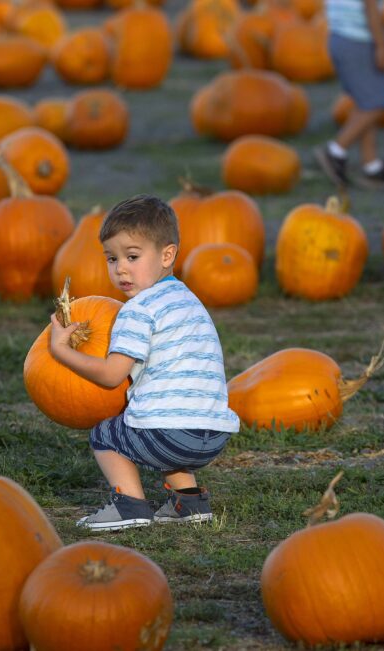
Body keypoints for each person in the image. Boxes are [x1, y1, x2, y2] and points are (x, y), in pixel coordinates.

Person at [48, 194, 240, 531]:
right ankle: (190, 502)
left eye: (132, 256)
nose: (120, 268)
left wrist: (62, 352)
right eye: (111, 258)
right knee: (162, 411)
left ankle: (130, 506)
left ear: (167, 255)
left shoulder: (138, 310)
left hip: (173, 433)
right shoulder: (187, 299)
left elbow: (111, 376)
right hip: (213, 434)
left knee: (106, 434)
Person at [314, 0, 384, 189]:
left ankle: (371, 165)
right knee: (375, 105)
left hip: (339, 37)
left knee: (365, 102)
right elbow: (370, 7)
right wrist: (382, 45)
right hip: (358, 40)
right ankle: (335, 150)